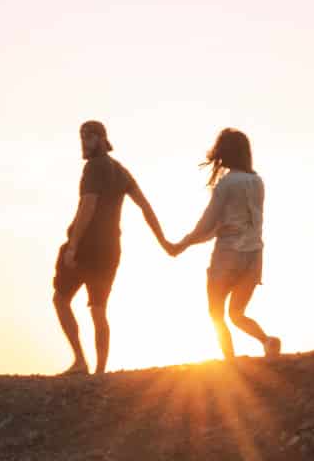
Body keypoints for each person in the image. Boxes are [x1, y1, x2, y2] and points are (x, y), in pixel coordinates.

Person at [54, 120, 170, 375]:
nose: (84, 143)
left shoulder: (94, 168)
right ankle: (100, 372)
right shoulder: (121, 171)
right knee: (98, 309)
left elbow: (88, 206)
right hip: (110, 250)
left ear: (100, 139)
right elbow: (145, 206)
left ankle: (81, 361)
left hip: (86, 247)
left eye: (87, 137)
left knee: (61, 299)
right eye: (82, 138)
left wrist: (73, 246)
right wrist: (164, 242)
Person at [168, 128, 282, 362]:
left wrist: (182, 244)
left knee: (216, 313)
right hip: (254, 255)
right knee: (237, 313)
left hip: (228, 255)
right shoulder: (257, 182)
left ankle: (229, 361)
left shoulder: (226, 184)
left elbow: (207, 224)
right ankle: (267, 341)